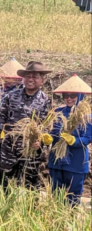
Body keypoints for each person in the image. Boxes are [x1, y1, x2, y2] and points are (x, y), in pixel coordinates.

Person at [0, 61, 52, 191]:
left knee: (30, 184)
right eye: (28, 76)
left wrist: (40, 141)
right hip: (9, 147)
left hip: (30, 149)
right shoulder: (11, 96)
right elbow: (0, 117)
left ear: (42, 80)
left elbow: (46, 126)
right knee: (6, 182)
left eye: (35, 77)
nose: (30, 79)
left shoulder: (46, 100)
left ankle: (30, 210)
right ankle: (6, 208)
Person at [46, 75, 92, 206]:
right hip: (56, 161)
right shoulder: (57, 112)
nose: (69, 98)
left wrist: (74, 141)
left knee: (72, 198)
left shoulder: (87, 116)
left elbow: (88, 138)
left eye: (73, 95)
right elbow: (50, 130)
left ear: (81, 96)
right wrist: (47, 139)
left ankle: (69, 222)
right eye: (66, 95)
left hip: (76, 163)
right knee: (56, 197)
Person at [0, 58, 24, 176]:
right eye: (6, 77)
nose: (9, 80)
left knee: (16, 164)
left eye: (12, 78)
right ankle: (2, 188)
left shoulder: (22, 91)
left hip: (15, 134)